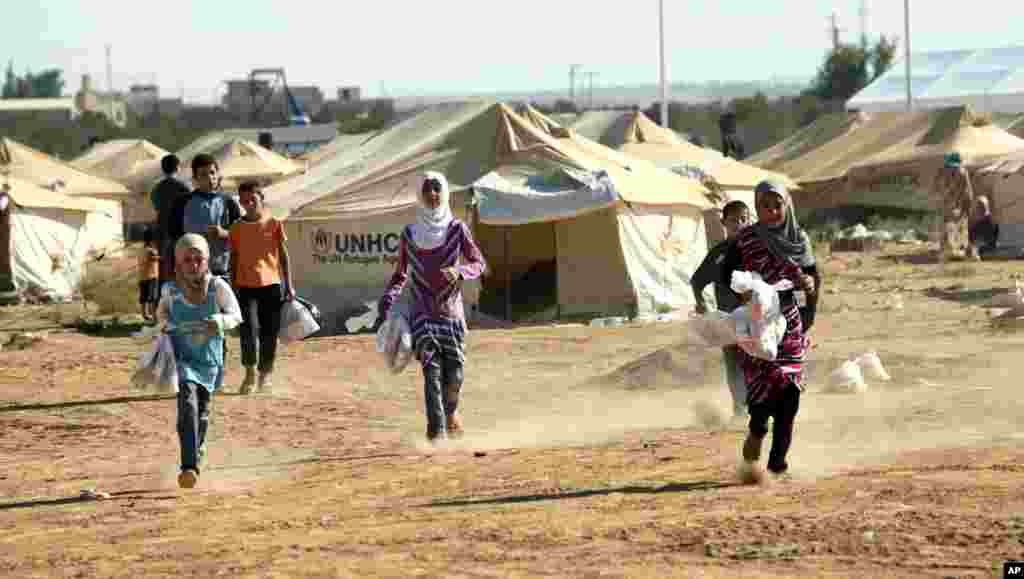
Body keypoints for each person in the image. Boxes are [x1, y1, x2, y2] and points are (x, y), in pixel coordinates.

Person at [377, 172, 487, 444]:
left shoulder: (457, 230)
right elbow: (400, 275)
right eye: (426, 189)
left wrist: (460, 271)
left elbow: (479, 263)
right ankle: (436, 433)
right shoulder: (409, 235)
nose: (432, 193)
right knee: (431, 373)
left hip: (452, 315)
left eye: (437, 188)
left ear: (445, 192)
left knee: (456, 376)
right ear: (419, 194)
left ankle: (450, 415)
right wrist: (388, 302)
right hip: (423, 315)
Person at [722, 180, 819, 480]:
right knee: (764, 392)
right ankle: (758, 427)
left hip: (790, 322)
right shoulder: (747, 239)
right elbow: (727, 274)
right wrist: (745, 294)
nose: (773, 211)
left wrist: (810, 298)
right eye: (766, 206)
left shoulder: (799, 238)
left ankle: (777, 465)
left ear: (786, 205)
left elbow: (814, 276)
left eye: (778, 205)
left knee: (790, 394)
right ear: (757, 208)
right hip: (759, 321)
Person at [156, 234, 242, 489]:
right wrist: (169, 326)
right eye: (187, 260)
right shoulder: (170, 290)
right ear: (178, 263)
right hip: (183, 359)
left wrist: (219, 322)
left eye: (198, 259)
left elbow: (235, 315)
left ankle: (198, 449)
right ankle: (189, 466)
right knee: (188, 403)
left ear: (206, 261)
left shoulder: (217, 287)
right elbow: (160, 317)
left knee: (202, 412)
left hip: (210, 359)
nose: (193, 264)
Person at [229, 181, 294, 394]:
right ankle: (249, 374)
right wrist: (232, 285)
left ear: (261, 198)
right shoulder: (236, 228)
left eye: (252, 200)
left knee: (269, 332)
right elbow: (234, 257)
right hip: (244, 284)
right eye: (244, 201)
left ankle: (264, 375)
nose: (248, 204)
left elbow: (283, 255)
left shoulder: (274, 223)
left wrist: (290, 285)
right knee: (247, 330)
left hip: (272, 284)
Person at [691, 200, 752, 420]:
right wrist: (701, 303)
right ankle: (740, 410)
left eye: (744, 219)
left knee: (759, 362)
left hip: (755, 317)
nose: (739, 224)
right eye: (734, 220)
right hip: (727, 321)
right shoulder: (718, 254)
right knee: (734, 366)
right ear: (724, 223)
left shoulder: (757, 250)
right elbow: (697, 281)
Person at [167, 154, 242, 281]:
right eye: (203, 174)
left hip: (221, 270)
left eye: (212, 173)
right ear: (195, 179)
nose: (209, 177)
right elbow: (173, 234)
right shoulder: (182, 203)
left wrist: (224, 233)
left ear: (218, 175)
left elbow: (241, 234)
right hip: (191, 271)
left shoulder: (229, 202)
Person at [150, 154, 192, 289]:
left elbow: (157, 208)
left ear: (163, 169)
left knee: (163, 268)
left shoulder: (156, 189)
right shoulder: (184, 188)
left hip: (161, 231)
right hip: (180, 231)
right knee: (182, 266)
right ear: (178, 167)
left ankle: (163, 302)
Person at [933, 152, 975, 261]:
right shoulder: (960, 172)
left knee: (953, 229)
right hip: (955, 206)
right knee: (955, 229)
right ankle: (954, 252)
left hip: (953, 206)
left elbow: (964, 192)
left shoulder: (952, 173)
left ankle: (952, 252)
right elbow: (967, 192)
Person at [138, 227, 161, 322]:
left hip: (142, 277)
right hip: (151, 277)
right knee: (152, 298)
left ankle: (144, 315)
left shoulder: (141, 250)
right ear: (152, 240)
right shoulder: (151, 251)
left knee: (143, 297)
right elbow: (156, 258)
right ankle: (154, 317)